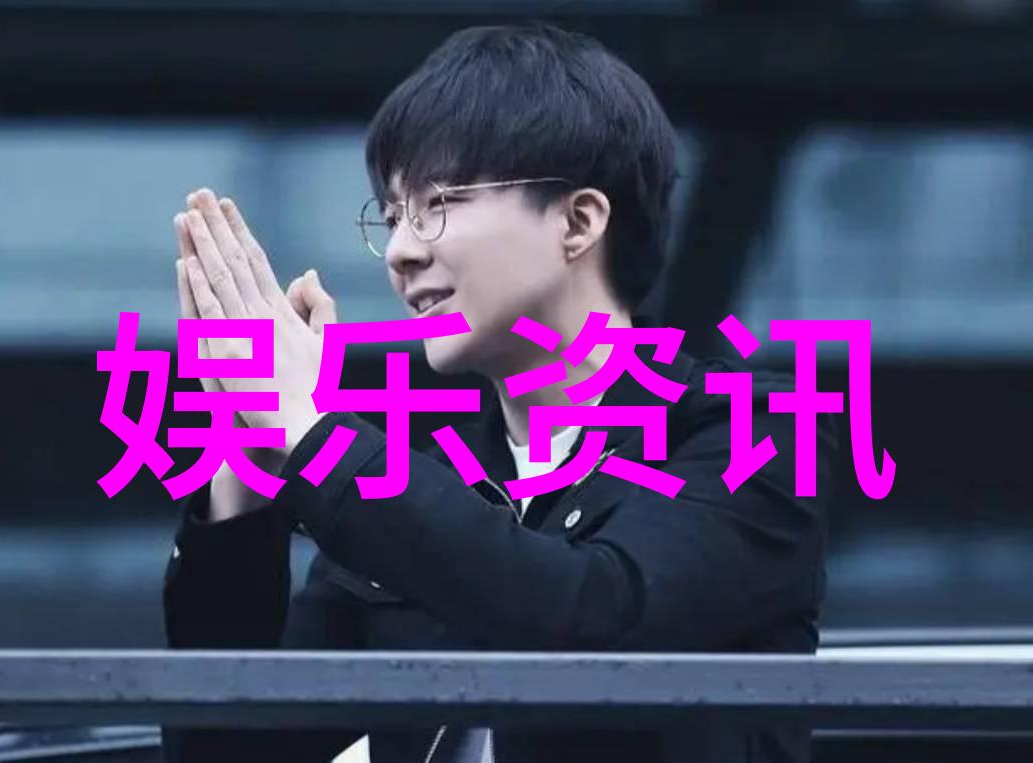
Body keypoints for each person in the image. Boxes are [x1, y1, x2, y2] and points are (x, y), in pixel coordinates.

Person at [162, 22, 838, 763]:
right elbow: (231, 750)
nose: (400, 251)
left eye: (438, 203)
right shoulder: (417, 478)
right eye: (391, 217)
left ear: (578, 221)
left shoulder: (751, 434)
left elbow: (594, 621)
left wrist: (311, 432)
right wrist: (248, 471)